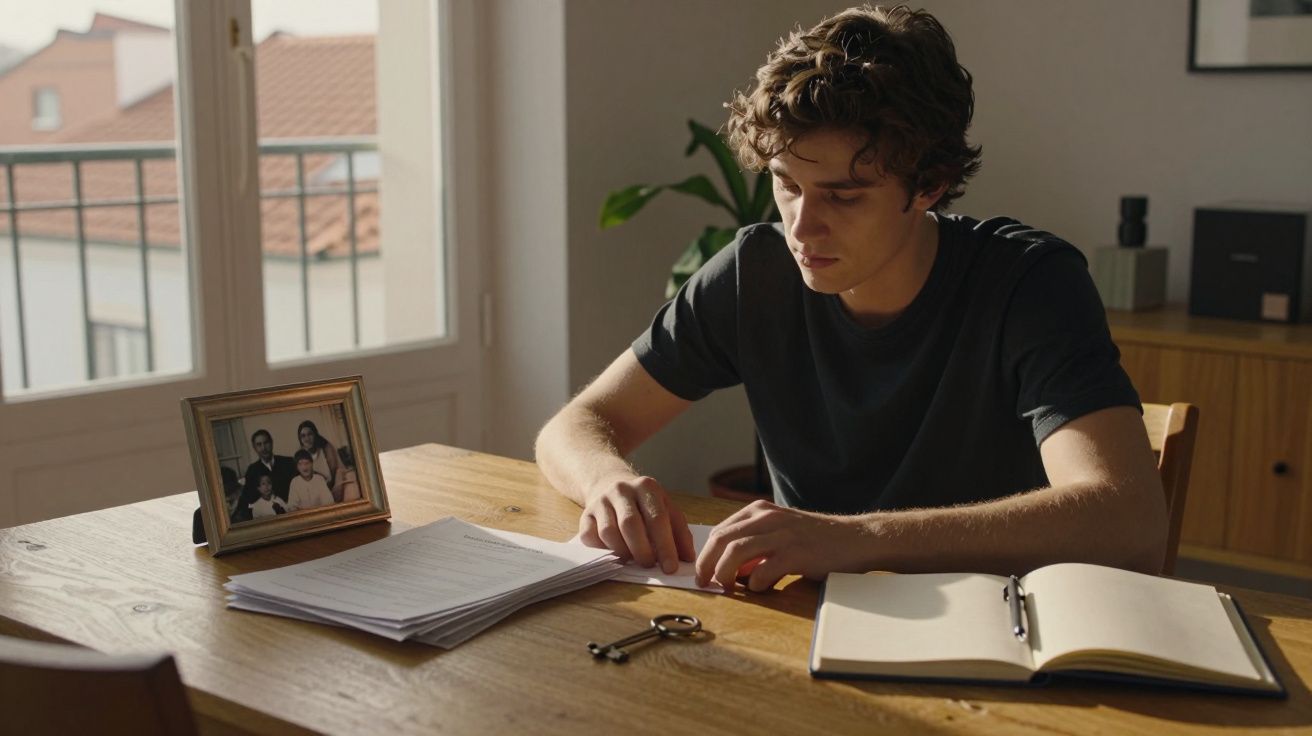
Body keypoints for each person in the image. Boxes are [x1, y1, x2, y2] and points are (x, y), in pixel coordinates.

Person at [535, 5, 1166, 593]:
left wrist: (857, 539)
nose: (802, 228)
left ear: (930, 185)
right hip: (805, 619)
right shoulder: (756, 273)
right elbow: (576, 426)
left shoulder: (1029, 284)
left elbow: (1128, 520)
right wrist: (608, 480)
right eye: (787, 185)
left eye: (843, 196)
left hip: (990, 626)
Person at [241, 429, 298, 509]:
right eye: (259, 445)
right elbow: (248, 498)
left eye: (266, 443)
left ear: (271, 443)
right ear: (254, 448)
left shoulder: (288, 462)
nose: (263, 448)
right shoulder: (252, 470)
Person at [297, 419, 342, 501]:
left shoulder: (326, 447)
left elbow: (335, 471)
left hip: (334, 484)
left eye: (310, 434)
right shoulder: (300, 455)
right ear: (300, 439)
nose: (307, 438)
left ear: (315, 434)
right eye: (303, 436)